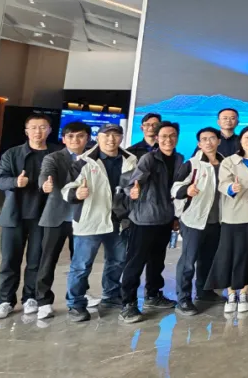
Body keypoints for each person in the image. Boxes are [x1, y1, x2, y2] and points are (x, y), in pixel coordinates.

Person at [59, 124, 135, 322]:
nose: (111, 139)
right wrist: (77, 193)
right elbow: (66, 190)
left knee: (117, 261)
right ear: (98, 137)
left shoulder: (131, 160)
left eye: (116, 135)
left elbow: (133, 187)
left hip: (118, 220)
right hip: (90, 220)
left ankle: (111, 295)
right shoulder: (83, 162)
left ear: (121, 138)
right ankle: (75, 304)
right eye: (106, 135)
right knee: (81, 265)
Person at [0, 114, 60, 321]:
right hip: (15, 215)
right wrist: (15, 182)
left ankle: (31, 297)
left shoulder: (57, 154)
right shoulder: (12, 154)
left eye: (43, 127)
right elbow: (0, 180)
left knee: (36, 261)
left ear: (49, 130)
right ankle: (5, 301)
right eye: (34, 127)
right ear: (26, 131)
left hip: (44, 216)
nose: (38, 132)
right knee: (10, 260)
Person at [118, 121, 184, 323]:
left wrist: (175, 216)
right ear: (156, 139)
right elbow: (133, 182)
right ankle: (128, 303)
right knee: (135, 261)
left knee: (157, 261)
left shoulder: (179, 159)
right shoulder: (149, 158)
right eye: (163, 136)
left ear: (177, 137)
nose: (168, 140)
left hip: (165, 217)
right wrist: (133, 191)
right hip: (144, 218)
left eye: (172, 135)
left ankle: (153, 295)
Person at [206, 126, 248, 315]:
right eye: (247, 137)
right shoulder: (229, 161)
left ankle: (244, 292)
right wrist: (231, 188)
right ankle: (230, 293)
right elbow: (222, 184)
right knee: (231, 254)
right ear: (240, 140)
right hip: (234, 212)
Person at [33, 121, 90, 320]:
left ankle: (80, 294)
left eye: (80, 136)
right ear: (64, 139)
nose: (76, 140)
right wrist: (45, 185)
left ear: (87, 138)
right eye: (71, 136)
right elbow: (45, 175)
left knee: (81, 261)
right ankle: (43, 301)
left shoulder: (93, 158)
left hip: (83, 217)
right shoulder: (53, 157)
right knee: (48, 260)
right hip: (56, 216)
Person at [170, 128, 227, 316]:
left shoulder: (226, 164)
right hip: (194, 219)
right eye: (204, 139)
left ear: (219, 141)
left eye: (212, 138)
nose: (208, 142)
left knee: (208, 259)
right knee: (188, 261)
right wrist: (186, 190)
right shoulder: (192, 164)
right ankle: (183, 299)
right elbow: (175, 188)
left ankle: (204, 292)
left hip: (217, 220)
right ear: (199, 144)